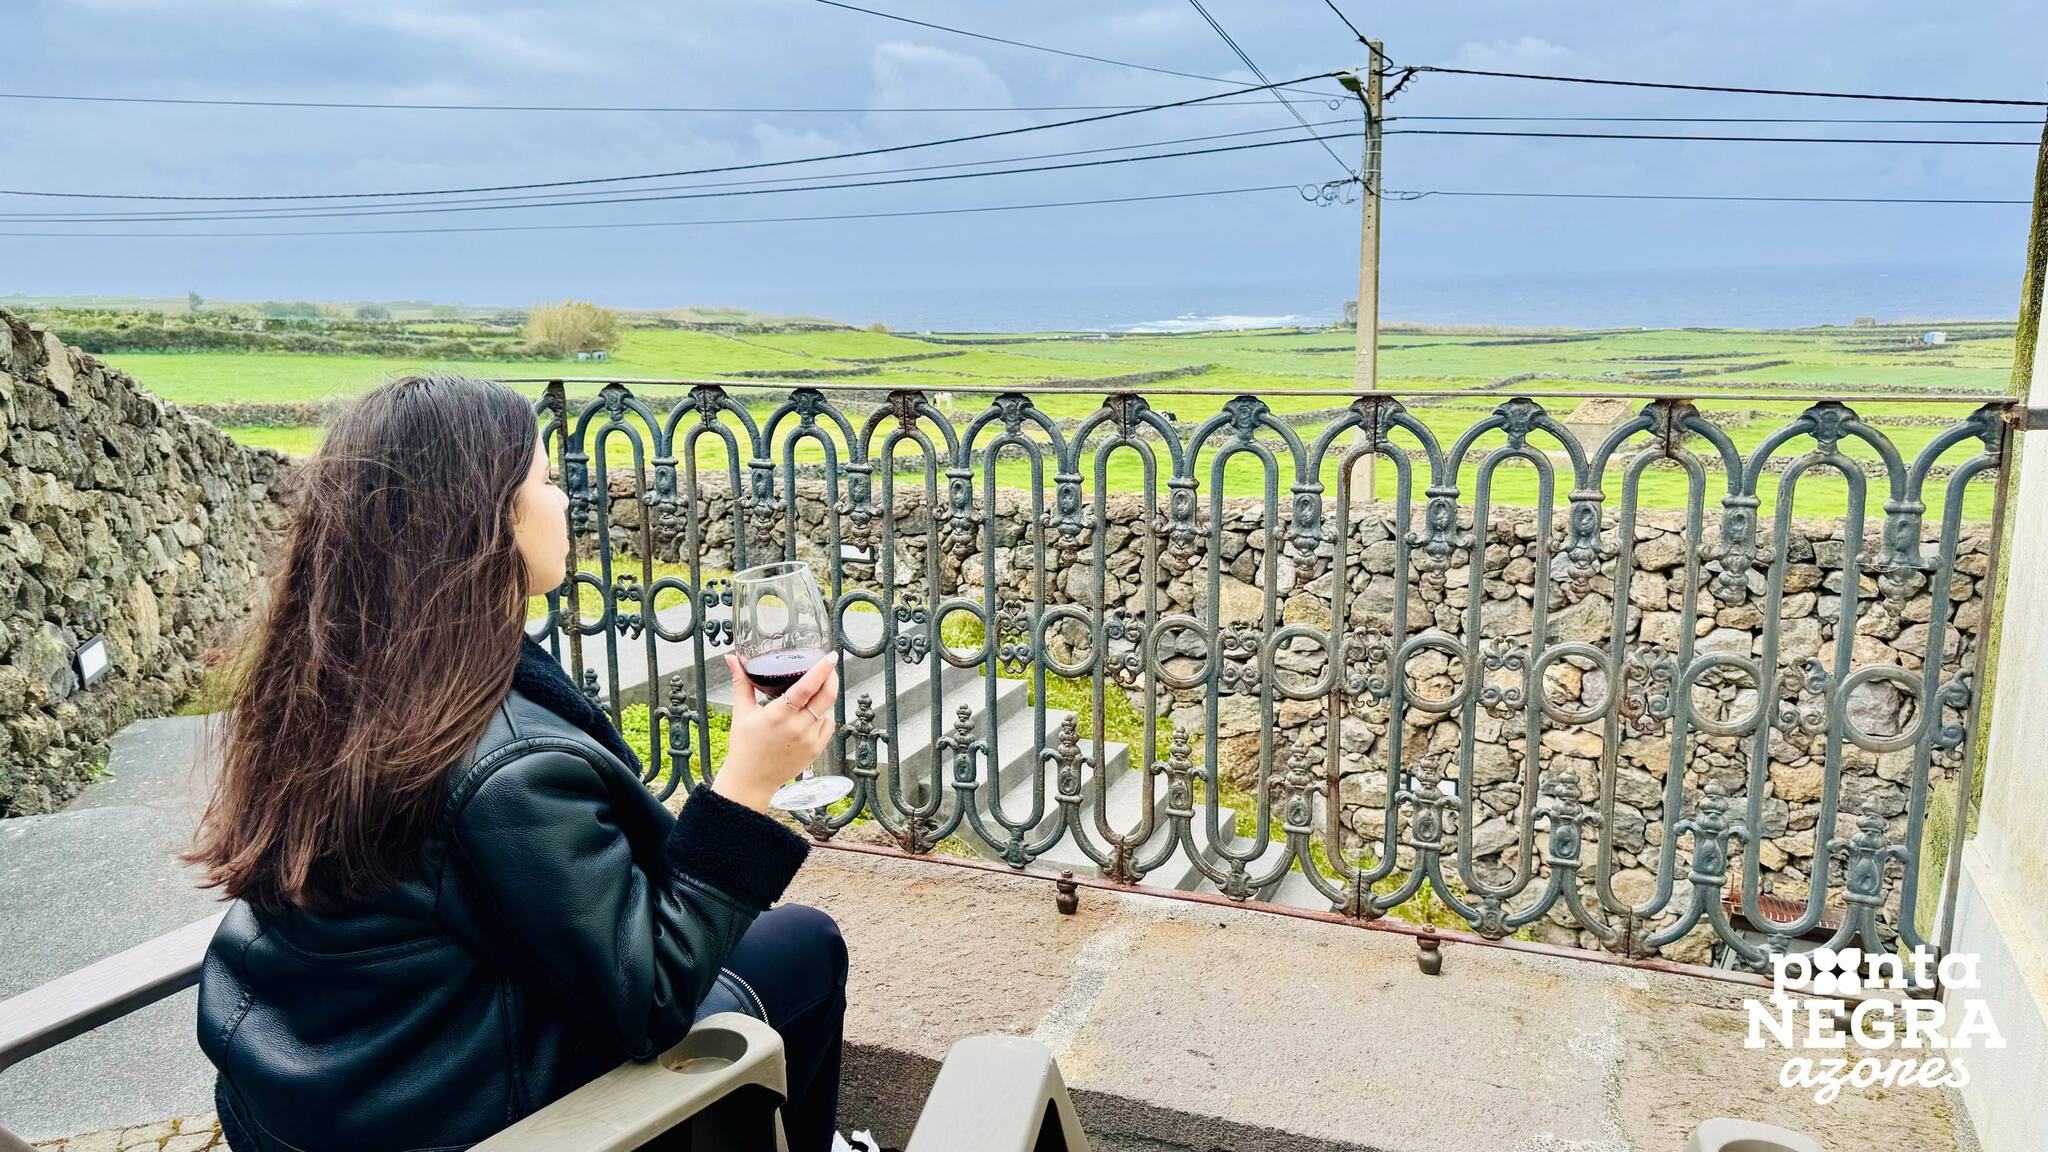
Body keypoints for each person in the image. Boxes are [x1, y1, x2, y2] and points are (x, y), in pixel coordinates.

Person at [182, 374, 848, 1151]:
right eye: (547, 480)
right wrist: (745, 787)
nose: (567, 502)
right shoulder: (501, 761)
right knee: (806, 947)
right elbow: (652, 1000)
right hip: (465, 1114)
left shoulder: (342, 680)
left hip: (331, 1089)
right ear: (486, 517)